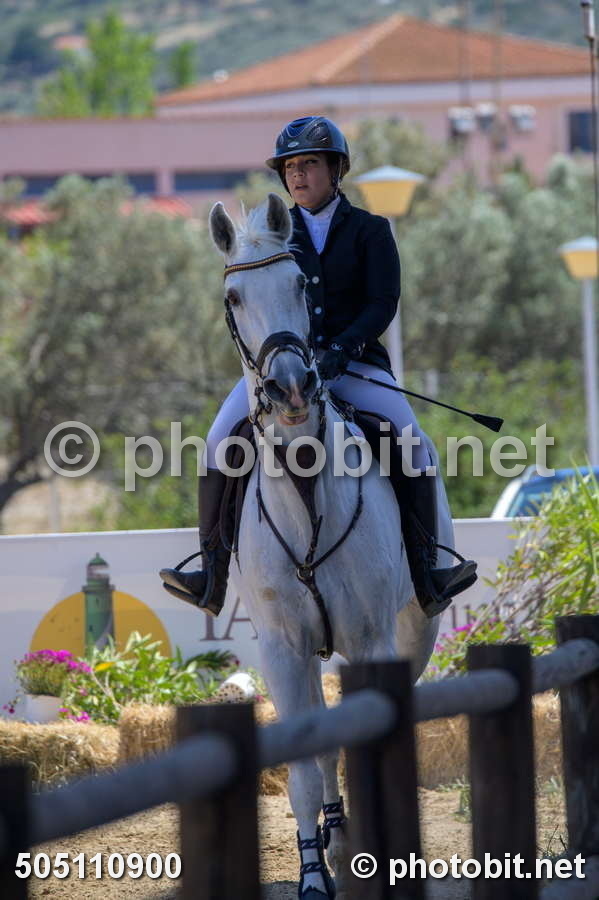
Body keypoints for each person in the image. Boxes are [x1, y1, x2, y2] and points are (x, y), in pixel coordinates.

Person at [160, 115, 477, 619]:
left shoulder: (370, 230)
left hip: (354, 366)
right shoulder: (271, 238)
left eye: (309, 163)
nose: (298, 175)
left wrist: (342, 349)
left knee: (411, 441)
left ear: (336, 169)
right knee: (218, 442)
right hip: (281, 373)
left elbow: (382, 302)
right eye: (290, 167)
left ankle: (429, 570)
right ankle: (211, 573)